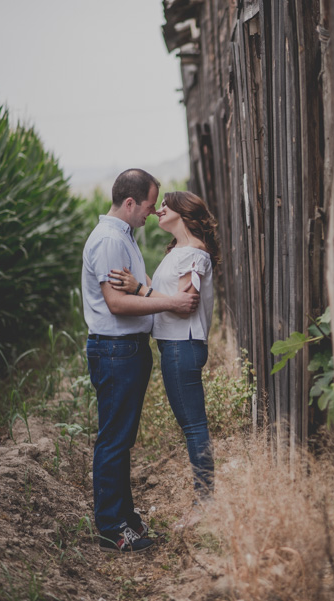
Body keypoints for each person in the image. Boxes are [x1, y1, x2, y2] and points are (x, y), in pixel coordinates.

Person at [81, 169, 199, 553]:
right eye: (149, 205)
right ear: (130, 203)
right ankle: (112, 528)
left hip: (126, 351)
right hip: (115, 351)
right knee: (114, 439)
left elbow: (137, 287)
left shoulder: (123, 237)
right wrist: (174, 303)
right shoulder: (109, 242)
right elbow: (117, 303)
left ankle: (125, 516)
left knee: (122, 437)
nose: (152, 212)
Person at [109, 190, 220, 518]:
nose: (159, 210)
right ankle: (205, 499)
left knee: (194, 425)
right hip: (175, 345)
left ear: (183, 214)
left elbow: (185, 304)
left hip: (182, 344)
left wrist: (138, 289)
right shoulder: (179, 252)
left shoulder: (195, 255)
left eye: (166, 206)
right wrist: (137, 277)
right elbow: (165, 292)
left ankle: (205, 503)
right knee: (192, 423)